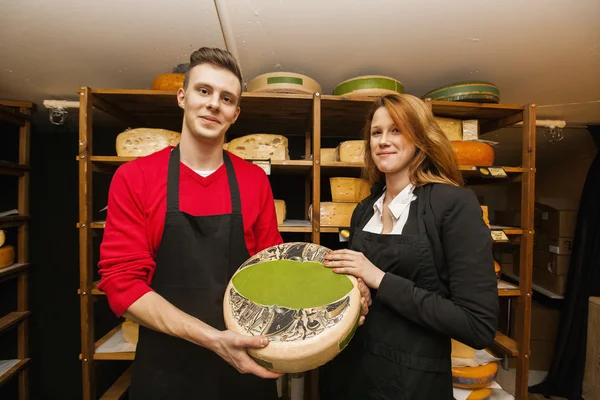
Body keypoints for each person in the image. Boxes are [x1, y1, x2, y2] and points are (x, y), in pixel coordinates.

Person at [98, 47, 370, 399]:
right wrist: (212, 339)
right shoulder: (135, 177)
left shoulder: (253, 180)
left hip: (247, 365)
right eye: (204, 91)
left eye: (226, 98)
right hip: (168, 368)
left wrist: (343, 295)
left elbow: (276, 271)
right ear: (182, 97)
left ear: (236, 113)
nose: (214, 104)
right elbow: (122, 283)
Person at [318, 93, 499, 400]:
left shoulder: (453, 205)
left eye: (396, 130)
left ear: (421, 137)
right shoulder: (365, 209)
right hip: (350, 373)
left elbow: (477, 325)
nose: (383, 141)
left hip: (411, 381)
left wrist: (379, 279)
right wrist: (358, 291)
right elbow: (363, 284)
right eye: (376, 132)